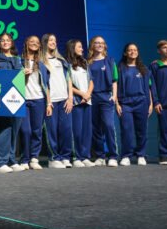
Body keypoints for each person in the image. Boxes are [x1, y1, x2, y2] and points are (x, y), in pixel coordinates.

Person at [0, 33, 23, 173]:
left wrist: (24, 73)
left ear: (11, 43)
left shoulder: (17, 59)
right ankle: (0, 162)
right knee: (5, 128)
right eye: (2, 40)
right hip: (2, 98)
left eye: (8, 40)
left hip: (17, 97)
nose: (5, 42)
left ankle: (11, 160)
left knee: (15, 130)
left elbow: (20, 78)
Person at [116, 43, 153, 166]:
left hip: (142, 102)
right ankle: (126, 156)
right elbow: (114, 87)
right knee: (127, 130)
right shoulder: (120, 68)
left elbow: (148, 88)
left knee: (142, 130)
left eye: (135, 50)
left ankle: (141, 155)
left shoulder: (144, 69)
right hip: (125, 103)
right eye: (130, 50)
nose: (133, 52)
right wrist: (117, 103)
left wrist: (150, 103)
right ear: (125, 53)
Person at [19, 36, 51, 171]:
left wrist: (49, 103)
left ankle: (34, 158)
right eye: (31, 41)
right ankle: (24, 159)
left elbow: (46, 85)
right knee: (25, 131)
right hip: (23, 100)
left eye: (37, 42)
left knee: (37, 131)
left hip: (39, 100)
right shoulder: (19, 61)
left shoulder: (42, 64)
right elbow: (12, 80)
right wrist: (21, 75)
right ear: (26, 43)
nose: (34, 44)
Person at [41, 33, 74, 169]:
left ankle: (65, 157)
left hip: (64, 100)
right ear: (45, 42)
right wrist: (48, 102)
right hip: (51, 101)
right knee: (52, 131)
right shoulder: (41, 61)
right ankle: (54, 158)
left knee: (66, 129)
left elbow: (69, 79)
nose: (53, 42)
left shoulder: (62, 61)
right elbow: (44, 83)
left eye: (54, 40)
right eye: (50, 40)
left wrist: (70, 98)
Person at [88, 36, 119, 167]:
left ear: (105, 46)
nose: (100, 45)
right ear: (92, 45)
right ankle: (100, 156)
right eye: (97, 43)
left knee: (108, 126)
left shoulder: (110, 61)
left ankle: (113, 156)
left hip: (106, 97)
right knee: (95, 128)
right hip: (92, 98)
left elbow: (114, 80)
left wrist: (114, 96)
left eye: (102, 43)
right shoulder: (87, 62)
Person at [66, 39, 95, 168]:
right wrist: (81, 94)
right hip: (76, 102)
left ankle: (85, 156)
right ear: (73, 48)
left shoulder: (85, 63)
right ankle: (76, 157)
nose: (82, 49)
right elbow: (67, 84)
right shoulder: (67, 65)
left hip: (87, 101)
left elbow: (91, 81)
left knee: (87, 131)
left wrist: (87, 94)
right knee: (76, 131)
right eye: (79, 47)